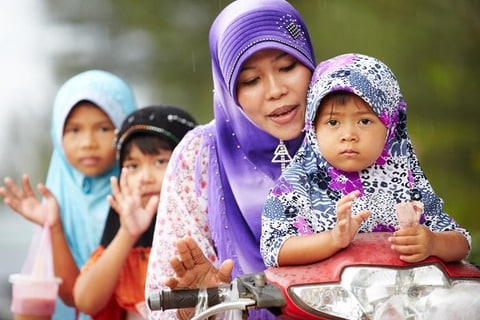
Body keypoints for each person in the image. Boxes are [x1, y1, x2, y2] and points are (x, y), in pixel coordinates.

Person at [144, 0, 316, 318]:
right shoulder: (198, 155)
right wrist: (199, 303)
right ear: (226, 89)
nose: (276, 90)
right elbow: (162, 302)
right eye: (251, 80)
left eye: (287, 67)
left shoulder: (354, 129)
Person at [260, 53, 471, 268]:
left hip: (402, 299)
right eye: (333, 122)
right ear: (313, 128)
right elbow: (276, 249)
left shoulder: (406, 182)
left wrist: (433, 243)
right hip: (322, 300)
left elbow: (461, 242)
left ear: (391, 127)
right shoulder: (294, 186)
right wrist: (332, 239)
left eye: (364, 120)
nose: (349, 134)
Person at [0, 69, 137, 319]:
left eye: (104, 129)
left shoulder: (137, 194)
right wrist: (53, 226)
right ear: (57, 134)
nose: (88, 142)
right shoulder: (59, 191)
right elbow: (70, 294)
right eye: (74, 130)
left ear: (124, 130)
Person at [73, 105, 197, 319]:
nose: (145, 177)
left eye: (160, 162)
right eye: (132, 165)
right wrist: (128, 234)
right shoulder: (126, 238)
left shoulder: (210, 226)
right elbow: (86, 301)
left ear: (192, 162)